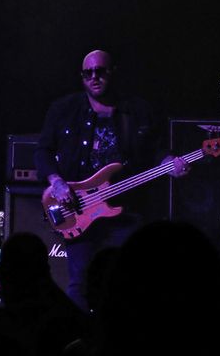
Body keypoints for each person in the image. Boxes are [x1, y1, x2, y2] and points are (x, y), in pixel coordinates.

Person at [33, 49, 188, 308]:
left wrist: (168, 162)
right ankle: (79, 331)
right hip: (79, 209)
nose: (94, 77)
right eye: (88, 73)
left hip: (125, 210)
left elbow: (154, 149)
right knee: (80, 282)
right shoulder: (64, 109)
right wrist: (57, 182)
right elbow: (43, 151)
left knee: (126, 280)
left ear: (112, 72)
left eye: (100, 71)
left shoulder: (136, 110)